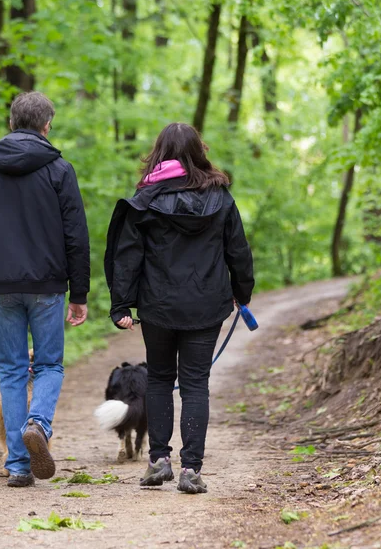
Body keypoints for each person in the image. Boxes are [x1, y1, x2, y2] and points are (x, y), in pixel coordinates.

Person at [104, 122, 254, 494]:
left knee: (158, 379)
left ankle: (158, 461)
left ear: (159, 152)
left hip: (158, 305)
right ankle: (191, 469)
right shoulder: (221, 198)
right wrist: (242, 292)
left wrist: (122, 303)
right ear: (199, 152)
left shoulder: (145, 200)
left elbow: (127, 256)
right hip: (206, 304)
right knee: (194, 384)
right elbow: (238, 250)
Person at [0, 91, 90, 487]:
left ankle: (17, 465)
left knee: (12, 370)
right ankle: (38, 424)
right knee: (49, 365)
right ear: (46, 125)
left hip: (0, 286)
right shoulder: (59, 169)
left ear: (12, 123)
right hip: (48, 285)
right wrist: (79, 293)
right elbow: (76, 236)